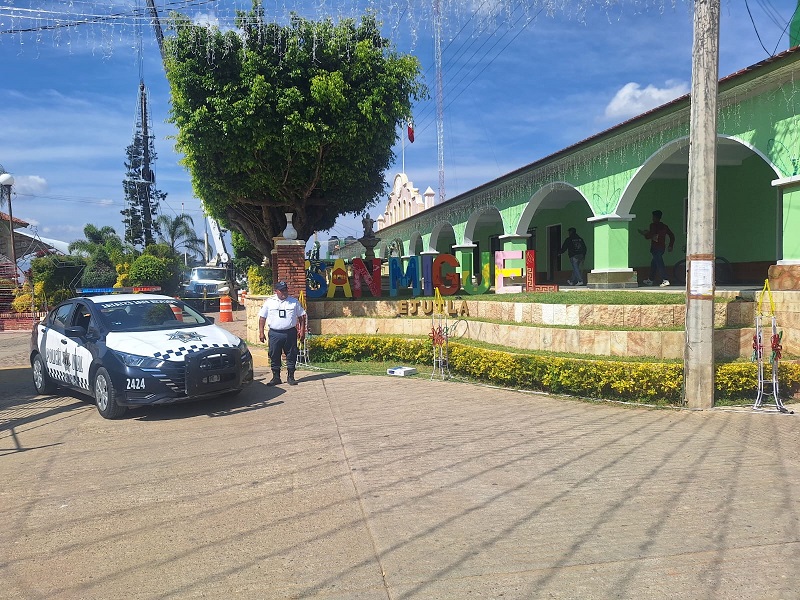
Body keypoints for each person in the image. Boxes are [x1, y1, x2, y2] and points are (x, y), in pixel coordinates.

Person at [258, 281, 307, 386]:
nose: (284, 292)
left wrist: (302, 330)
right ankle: (276, 377)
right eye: (281, 290)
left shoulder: (294, 302)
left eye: (285, 290)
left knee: (291, 354)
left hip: (290, 333)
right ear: (276, 291)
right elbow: (262, 317)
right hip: (275, 333)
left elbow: (302, 317)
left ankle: (291, 377)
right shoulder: (269, 302)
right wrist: (261, 332)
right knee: (274, 354)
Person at [638, 209, 675, 286]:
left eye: (653, 217)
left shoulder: (653, 225)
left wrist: (644, 234)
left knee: (659, 263)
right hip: (662, 248)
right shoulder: (664, 226)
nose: (652, 218)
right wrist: (670, 245)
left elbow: (651, 235)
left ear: (655, 217)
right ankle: (650, 280)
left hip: (655, 248)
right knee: (654, 263)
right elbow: (672, 236)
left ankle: (665, 279)